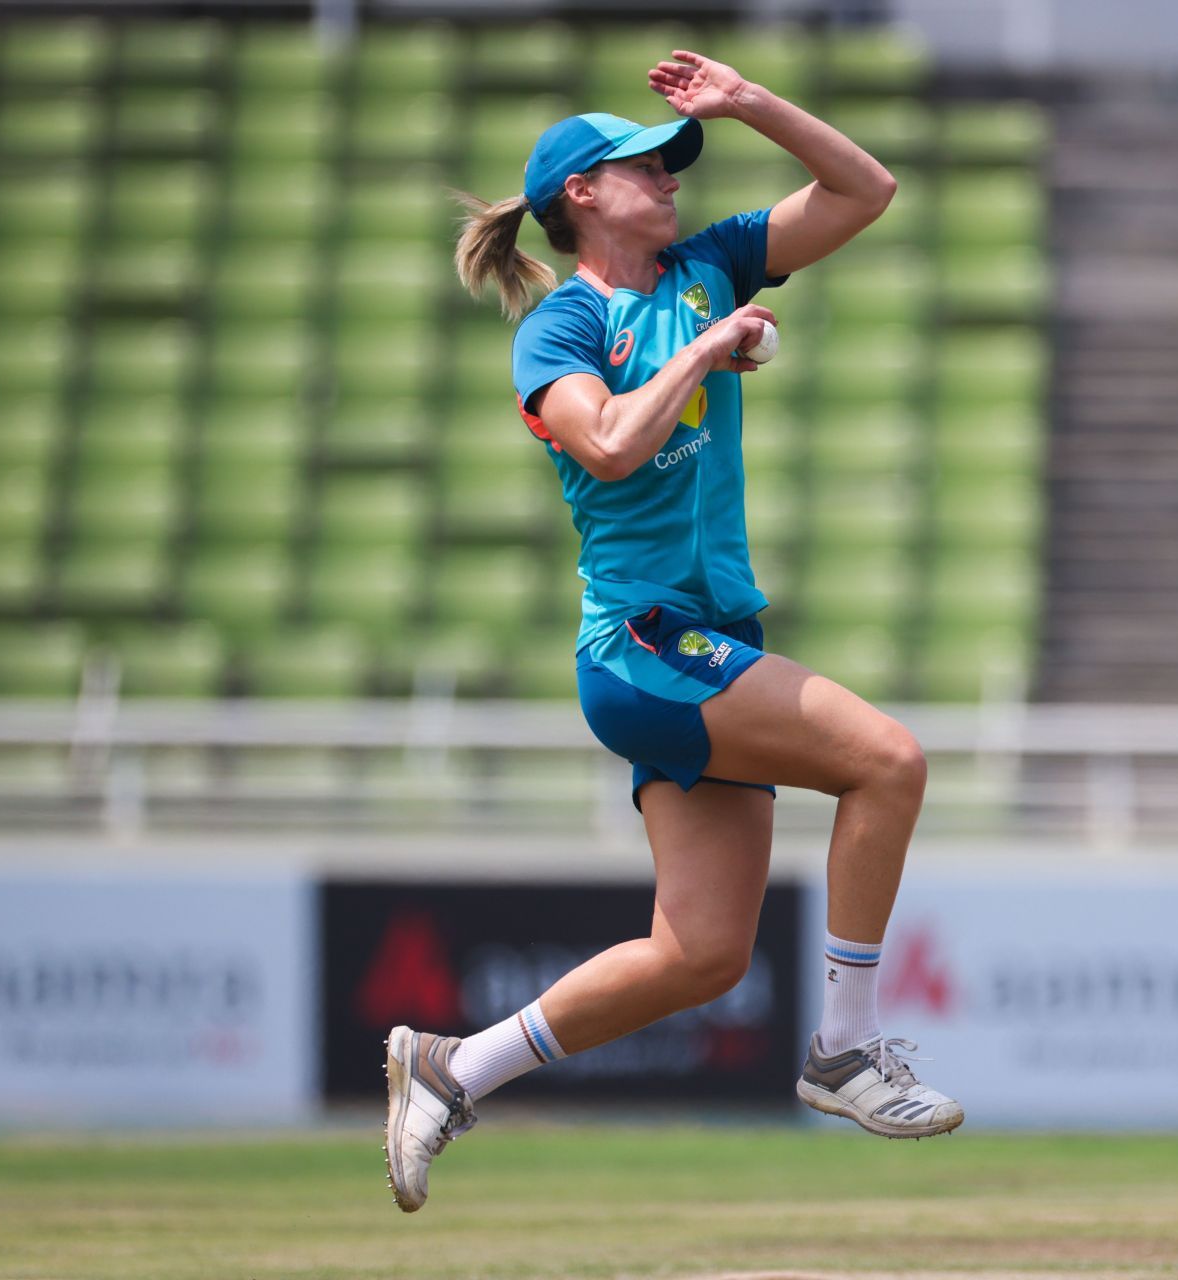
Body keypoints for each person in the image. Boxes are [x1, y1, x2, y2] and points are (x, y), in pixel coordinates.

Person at [381, 50, 961, 1214]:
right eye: (641, 164)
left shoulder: (707, 263)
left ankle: (454, 1066)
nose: (669, 176)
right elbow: (605, 445)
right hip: (641, 648)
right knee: (887, 759)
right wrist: (703, 347)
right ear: (580, 197)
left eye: (670, 161)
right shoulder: (560, 331)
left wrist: (748, 103)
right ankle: (845, 1046)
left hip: (703, 636)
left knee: (702, 957)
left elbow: (865, 191)